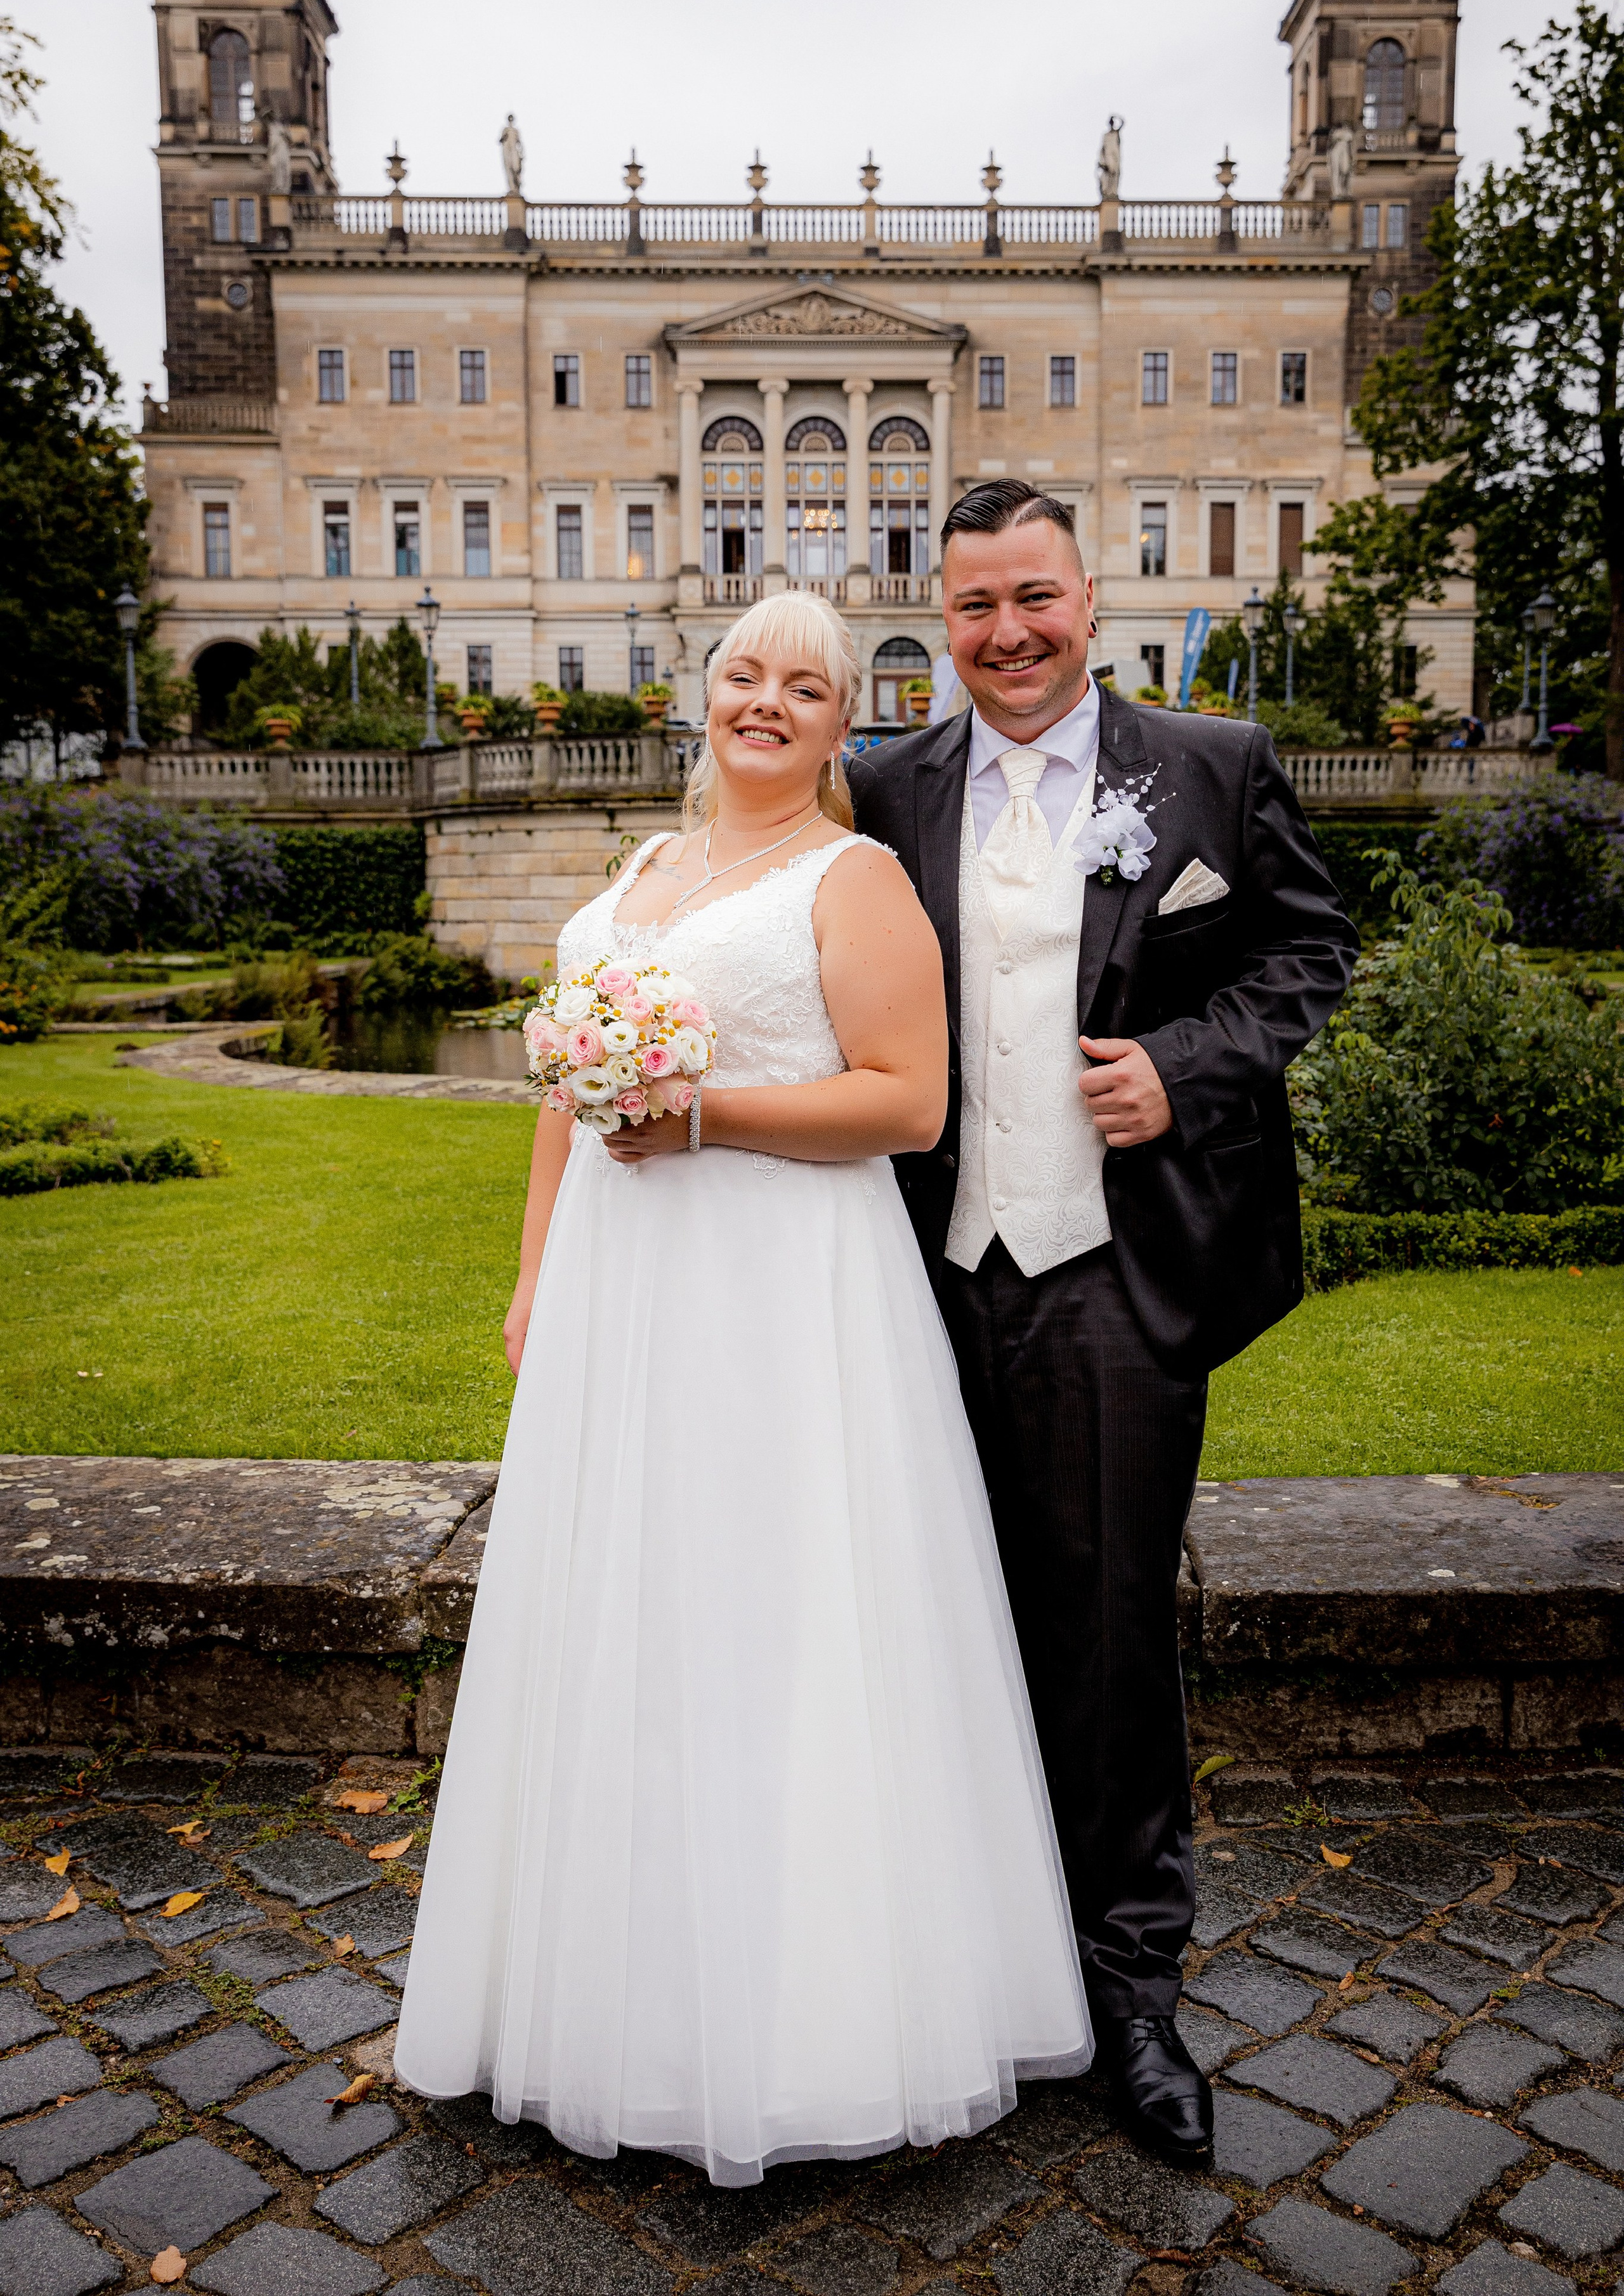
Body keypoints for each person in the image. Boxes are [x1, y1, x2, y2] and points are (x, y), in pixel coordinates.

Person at [395, 590, 1091, 2186]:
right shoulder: (645, 867)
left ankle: (810, 2023)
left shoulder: (854, 882)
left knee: (778, 1620)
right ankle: (605, 2001)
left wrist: (706, 1116)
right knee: (625, 1617)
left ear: (847, 723)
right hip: (620, 1300)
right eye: (741, 675)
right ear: (697, 691)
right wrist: (532, 1272)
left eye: (804, 687)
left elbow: (908, 1105)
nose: (763, 702)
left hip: (787, 1299)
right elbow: (568, 1093)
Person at [849, 481, 1358, 2163]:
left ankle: (1131, 1989)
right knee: (937, 1624)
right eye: (975, 603)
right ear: (941, 613)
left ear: (1093, 594)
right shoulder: (881, 784)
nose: (1006, 633)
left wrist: (1190, 1064)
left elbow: (1307, 945)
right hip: (917, 1276)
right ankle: (967, 1971)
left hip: (1117, 1273)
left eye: (1035, 597)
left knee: (1116, 1632)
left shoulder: (1211, 768)